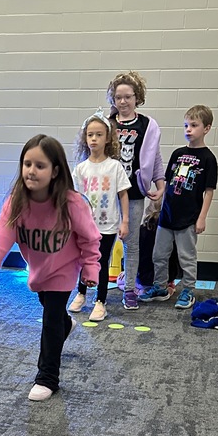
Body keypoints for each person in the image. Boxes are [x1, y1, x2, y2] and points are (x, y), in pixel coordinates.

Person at [0, 134, 100, 402]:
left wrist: (90, 268)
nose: (31, 171)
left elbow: (90, 238)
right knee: (51, 311)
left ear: (55, 171)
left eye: (40, 166)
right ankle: (65, 324)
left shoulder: (71, 204)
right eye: (27, 164)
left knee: (50, 320)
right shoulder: (16, 204)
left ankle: (47, 377)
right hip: (38, 270)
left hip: (64, 269)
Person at [139, 105, 218, 311]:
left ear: (207, 128)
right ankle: (160, 287)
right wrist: (159, 197)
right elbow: (168, 182)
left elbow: (208, 191)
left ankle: (188, 290)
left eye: (194, 125)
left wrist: (202, 218)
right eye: (186, 125)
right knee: (159, 254)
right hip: (167, 216)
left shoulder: (208, 158)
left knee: (186, 257)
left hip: (188, 218)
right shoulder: (178, 153)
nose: (188, 129)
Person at [106, 71, 165, 309]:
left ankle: (129, 288)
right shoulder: (107, 123)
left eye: (128, 97)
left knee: (132, 242)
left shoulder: (147, 125)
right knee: (103, 242)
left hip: (134, 192)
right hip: (108, 194)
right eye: (118, 97)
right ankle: (97, 288)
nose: (123, 102)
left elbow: (155, 156)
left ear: (136, 97)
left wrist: (160, 183)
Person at [69, 110, 130, 321]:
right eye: (90, 135)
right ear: (85, 139)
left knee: (101, 262)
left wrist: (125, 221)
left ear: (108, 138)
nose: (94, 139)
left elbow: (123, 195)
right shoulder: (80, 169)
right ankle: (81, 293)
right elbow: (74, 198)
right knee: (84, 260)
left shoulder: (114, 167)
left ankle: (100, 301)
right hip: (85, 226)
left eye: (99, 134)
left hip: (107, 225)